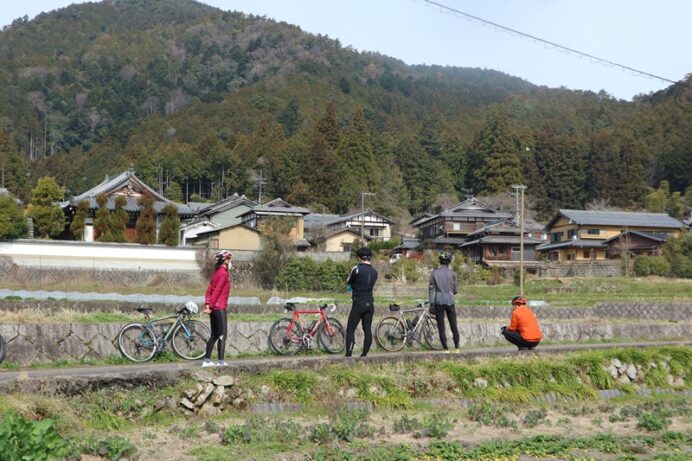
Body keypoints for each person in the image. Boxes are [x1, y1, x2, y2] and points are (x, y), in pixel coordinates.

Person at [344, 247, 378, 357]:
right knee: (367, 329)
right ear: (370, 257)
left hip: (359, 302)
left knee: (350, 329)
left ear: (359, 257)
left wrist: (351, 284)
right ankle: (364, 355)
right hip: (370, 303)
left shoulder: (356, 269)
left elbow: (349, 281)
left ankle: (348, 355)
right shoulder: (375, 272)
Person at [202, 250, 232, 367]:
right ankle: (220, 362)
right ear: (225, 260)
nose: (230, 261)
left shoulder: (216, 273)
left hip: (213, 308)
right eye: (229, 259)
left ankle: (206, 361)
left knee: (214, 334)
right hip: (219, 308)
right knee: (222, 335)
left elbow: (209, 291)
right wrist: (211, 306)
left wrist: (207, 304)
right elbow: (217, 291)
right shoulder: (223, 274)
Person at [428, 252, 460, 353]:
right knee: (453, 325)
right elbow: (455, 291)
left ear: (440, 261)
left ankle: (446, 349)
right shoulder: (453, 274)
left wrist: (431, 303)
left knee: (441, 327)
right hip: (450, 301)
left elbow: (431, 289)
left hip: (438, 301)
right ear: (449, 262)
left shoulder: (434, 273)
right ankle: (457, 348)